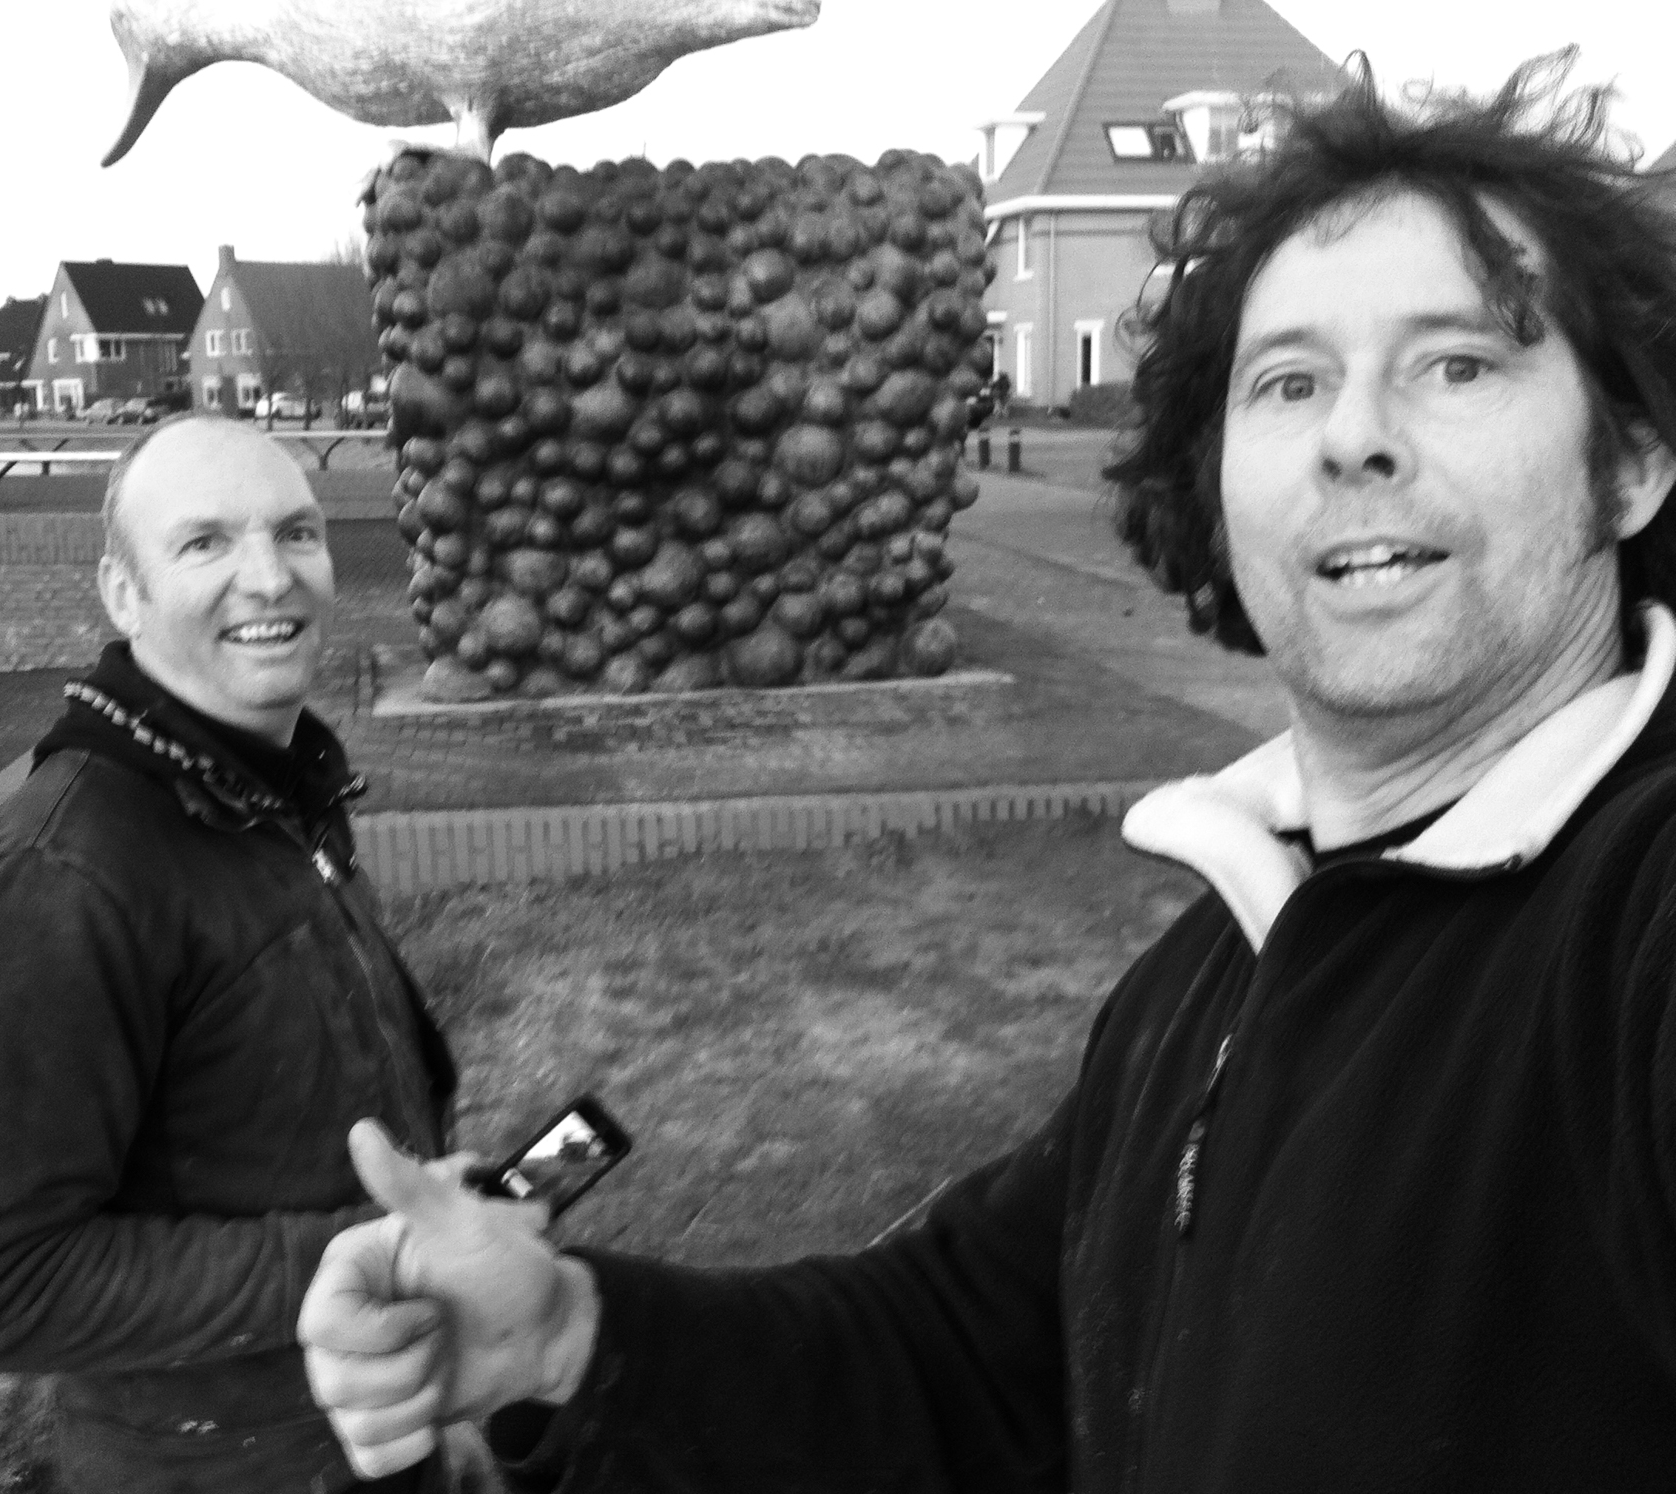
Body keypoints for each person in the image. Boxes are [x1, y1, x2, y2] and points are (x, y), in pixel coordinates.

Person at [297, 54, 1676, 1492]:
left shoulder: (1636, 936)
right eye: (1289, 381)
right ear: (1217, 486)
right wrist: (569, 1339)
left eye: (1457, 364)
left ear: (1631, 458)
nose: (1353, 436)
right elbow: (957, 1355)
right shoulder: (1215, 967)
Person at [0, 414, 461, 1493]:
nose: (270, 577)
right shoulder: (64, 875)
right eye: (204, 542)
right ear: (123, 595)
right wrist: (373, 1254)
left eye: (296, 533)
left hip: (369, 1418)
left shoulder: (264, 786)